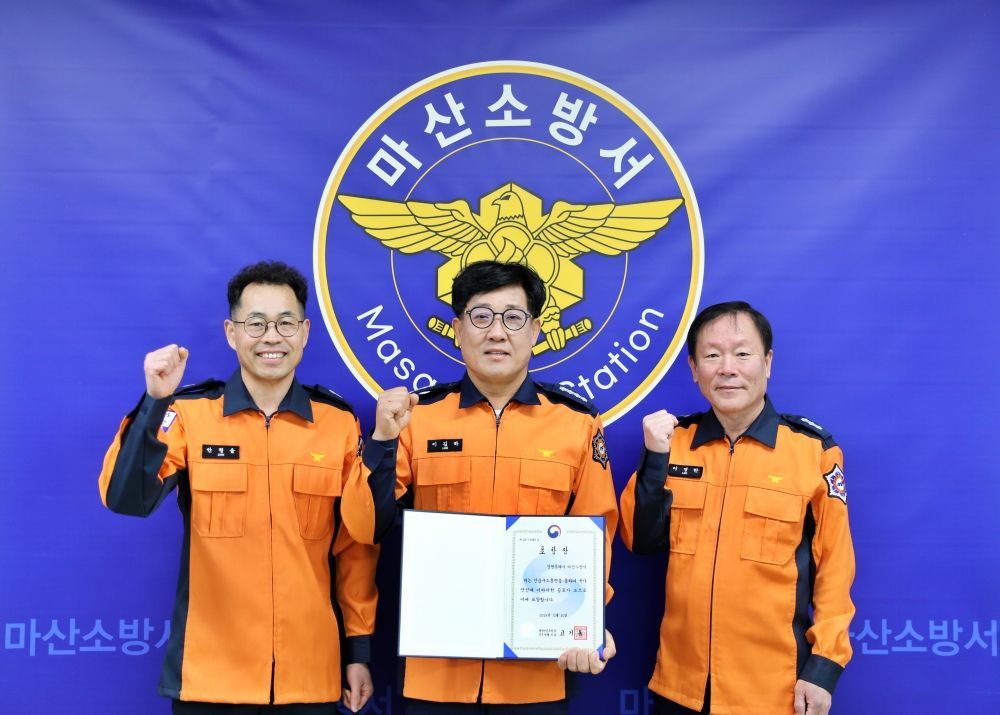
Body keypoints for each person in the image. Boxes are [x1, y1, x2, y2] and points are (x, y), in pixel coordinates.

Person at [98, 261, 378, 714]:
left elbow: (354, 547)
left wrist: (358, 650)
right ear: (232, 333)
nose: (272, 337)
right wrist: (154, 402)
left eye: (285, 323)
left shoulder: (338, 423)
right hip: (210, 681)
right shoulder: (190, 414)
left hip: (310, 678)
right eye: (256, 323)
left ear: (305, 332)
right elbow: (126, 499)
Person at [341, 260, 619, 714]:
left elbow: (595, 536)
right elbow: (364, 525)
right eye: (481, 316)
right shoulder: (417, 419)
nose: (497, 332)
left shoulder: (577, 424)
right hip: (437, 672)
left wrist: (589, 621)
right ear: (457, 329)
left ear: (536, 331)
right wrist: (383, 442)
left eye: (513, 318)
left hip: (538, 672)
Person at [619, 301, 855, 715]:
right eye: (712, 355)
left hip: (773, 691)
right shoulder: (673, 442)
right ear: (694, 369)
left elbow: (835, 568)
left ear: (768, 362)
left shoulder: (812, 451)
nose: (727, 368)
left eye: (742, 353)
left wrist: (824, 667)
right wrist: (655, 457)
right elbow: (640, 540)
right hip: (681, 687)